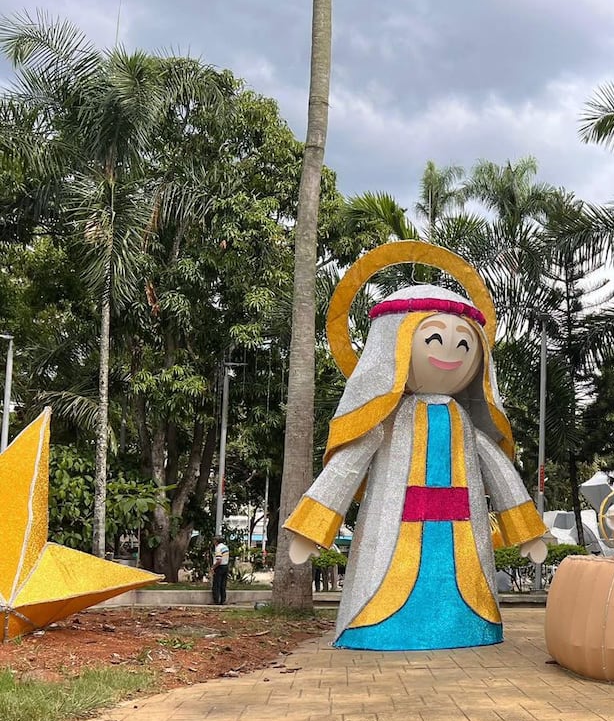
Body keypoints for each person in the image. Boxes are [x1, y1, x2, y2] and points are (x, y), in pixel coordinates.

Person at [284, 258, 547, 651]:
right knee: (388, 576)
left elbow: (500, 472)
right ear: (396, 343)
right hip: (394, 524)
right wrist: (312, 526)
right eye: (435, 339)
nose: (450, 352)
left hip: (460, 526)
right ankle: (374, 625)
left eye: (464, 343)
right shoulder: (387, 420)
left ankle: (467, 624)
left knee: (461, 576)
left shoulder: (463, 421)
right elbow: (347, 466)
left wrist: (527, 531)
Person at [210, 536, 230, 606]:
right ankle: (223, 600)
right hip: (225, 566)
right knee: (223, 584)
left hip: (219, 567)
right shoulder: (225, 547)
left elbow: (219, 560)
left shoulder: (218, 548)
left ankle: (216, 600)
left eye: (214, 540)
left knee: (216, 584)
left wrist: (213, 567)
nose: (213, 542)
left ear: (216, 541)